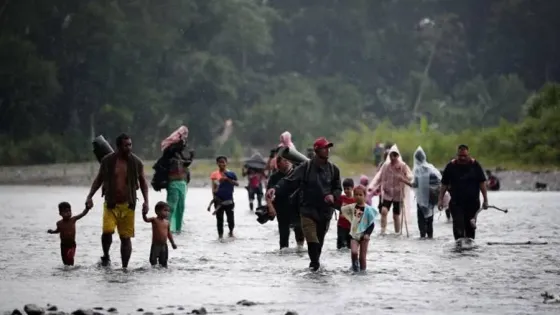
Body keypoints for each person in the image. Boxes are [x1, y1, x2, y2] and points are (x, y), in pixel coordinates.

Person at [267, 137, 342, 272]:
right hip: (307, 210)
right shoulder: (305, 167)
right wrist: (275, 188)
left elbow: (338, 188)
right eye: (324, 148)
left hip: (325, 212)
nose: (327, 150)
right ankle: (314, 266)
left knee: (319, 242)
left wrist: (334, 195)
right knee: (311, 240)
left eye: (328, 148)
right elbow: (289, 180)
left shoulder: (333, 169)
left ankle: (315, 266)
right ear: (317, 150)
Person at [85, 133, 149, 269]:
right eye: (126, 145)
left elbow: (143, 183)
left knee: (126, 238)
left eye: (130, 145)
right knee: (107, 231)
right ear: (118, 146)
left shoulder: (137, 163)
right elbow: (99, 179)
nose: (129, 148)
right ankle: (106, 255)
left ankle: (125, 267)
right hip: (111, 204)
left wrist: (146, 202)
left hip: (129, 205)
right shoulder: (107, 161)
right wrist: (89, 196)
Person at [438, 144, 489, 241]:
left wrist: (485, 200)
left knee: (470, 230)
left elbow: (482, 183)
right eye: (460, 156)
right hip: (456, 203)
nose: (462, 158)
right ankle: (458, 249)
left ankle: (469, 252)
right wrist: (440, 199)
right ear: (457, 155)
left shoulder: (475, 165)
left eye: (465, 156)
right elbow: (444, 184)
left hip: (473, 203)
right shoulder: (451, 166)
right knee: (458, 228)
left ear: (468, 155)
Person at [370, 145, 412, 235]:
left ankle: (397, 232)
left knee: (396, 215)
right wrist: (372, 187)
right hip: (387, 193)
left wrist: (404, 178)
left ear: (398, 156)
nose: (393, 157)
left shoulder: (402, 166)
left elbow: (410, 176)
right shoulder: (385, 166)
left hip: (398, 194)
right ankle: (383, 230)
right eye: (391, 155)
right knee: (384, 211)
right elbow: (379, 177)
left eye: (395, 155)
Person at [266, 155, 305, 252]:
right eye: (284, 160)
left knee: (299, 231)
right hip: (281, 208)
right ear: (278, 163)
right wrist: (271, 207)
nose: (287, 162)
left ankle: (300, 250)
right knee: (283, 234)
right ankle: (283, 255)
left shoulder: (297, 173)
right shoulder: (274, 177)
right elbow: (268, 194)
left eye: (289, 160)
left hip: (297, 208)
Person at [400, 147, 441, 239]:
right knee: (430, 219)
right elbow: (440, 180)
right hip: (431, 198)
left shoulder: (418, 170)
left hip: (422, 200)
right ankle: (430, 237)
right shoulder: (431, 168)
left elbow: (415, 185)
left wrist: (403, 180)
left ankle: (422, 237)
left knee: (421, 219)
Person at [160, 127, 191, 234]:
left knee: (181, 207)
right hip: (173, 183)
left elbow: (186, 166)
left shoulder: (180, 156)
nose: (182, 145)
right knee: (171, 206)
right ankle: (166, 227)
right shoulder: (169, 156)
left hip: (182, 183)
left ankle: (178, 229)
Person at [340, 185, 378, 272]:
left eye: (360, 195)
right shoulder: (352, 207)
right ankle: (355, 267)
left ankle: (363, 272)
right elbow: (342, 209)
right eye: (356, 194)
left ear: (365, 196)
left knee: (362, 257)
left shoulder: (368, 210)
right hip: (354, 235)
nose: (358, 197)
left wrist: (368, 234)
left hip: (364, 236)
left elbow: (371, 224)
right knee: (354, 252)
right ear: (353, 195)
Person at [47, 202, 91, 266]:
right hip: (63, 245)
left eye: (69, 211)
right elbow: (58, 230)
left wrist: (87, 208)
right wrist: (52, 232)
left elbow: (83, 214)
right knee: (65, 261)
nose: (68, 213)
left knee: (70, 259)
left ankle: (71, 271)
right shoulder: (59, 223)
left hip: (72, 244)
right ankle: (67, 273)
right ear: (60, 213)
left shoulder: (73, 219)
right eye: (65, 211)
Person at [210, 156, 239, 239]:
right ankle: (220, 236)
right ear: (217, 163)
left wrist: (227, 179)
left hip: (229, 199)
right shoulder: (214, 174)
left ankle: (231, 232)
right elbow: (213, 187)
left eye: (223, 162)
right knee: (219, 219)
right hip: (218, 200)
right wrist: (214, 198)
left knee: (230, 219)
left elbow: (237, 184)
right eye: (219, 162)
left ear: (226, 163)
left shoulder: (231, 174)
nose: (221, 164)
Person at [142, 201, 177, 267]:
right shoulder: (154, 220)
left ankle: (162, 273)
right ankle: (154, 272)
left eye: (168, 211)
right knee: (153, 261)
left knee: (164, 262)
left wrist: (172, 243)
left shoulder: (167, 222)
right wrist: (144, 214)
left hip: (164, 245)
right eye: (165, 210)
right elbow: (146, 220)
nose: (167, 212)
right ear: (157, 211)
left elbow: (169, 234)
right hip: (156, 245)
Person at [336, 178, 355, 249]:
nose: (346, 191)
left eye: (348, 189)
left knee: (349, 246)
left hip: (350, 227)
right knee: (340, 246)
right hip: (341, 225)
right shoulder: (341, 198)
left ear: (352, 188)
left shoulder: (355, 200)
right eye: (344, 189)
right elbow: (335, 204)